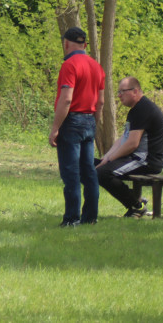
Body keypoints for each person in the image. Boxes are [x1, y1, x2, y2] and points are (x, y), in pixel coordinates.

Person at [48, 26, 105, 227]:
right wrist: (93, 123)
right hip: (89, 118)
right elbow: (101, 102)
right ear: (85, 45)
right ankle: (90, 217)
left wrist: (55, 127)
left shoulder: (69, 65)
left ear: (66, 43)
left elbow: (66, 99)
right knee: (88, 171)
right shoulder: (97, 67)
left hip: (71, 120)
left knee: (71, 172)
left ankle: (72, 218)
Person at [95, 77, 163, 218]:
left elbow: (132, 144)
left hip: (146, 161)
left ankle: (136, 206)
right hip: (134, 158)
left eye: (122, 91)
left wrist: (109, 161)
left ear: (135, 91)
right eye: (118, 92)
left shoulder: (144, 109)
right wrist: (106, 157)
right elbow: (123, 139)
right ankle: (135, 201)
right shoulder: (135, 110)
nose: (119, 95)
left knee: (102, 173)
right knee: (89, 165)